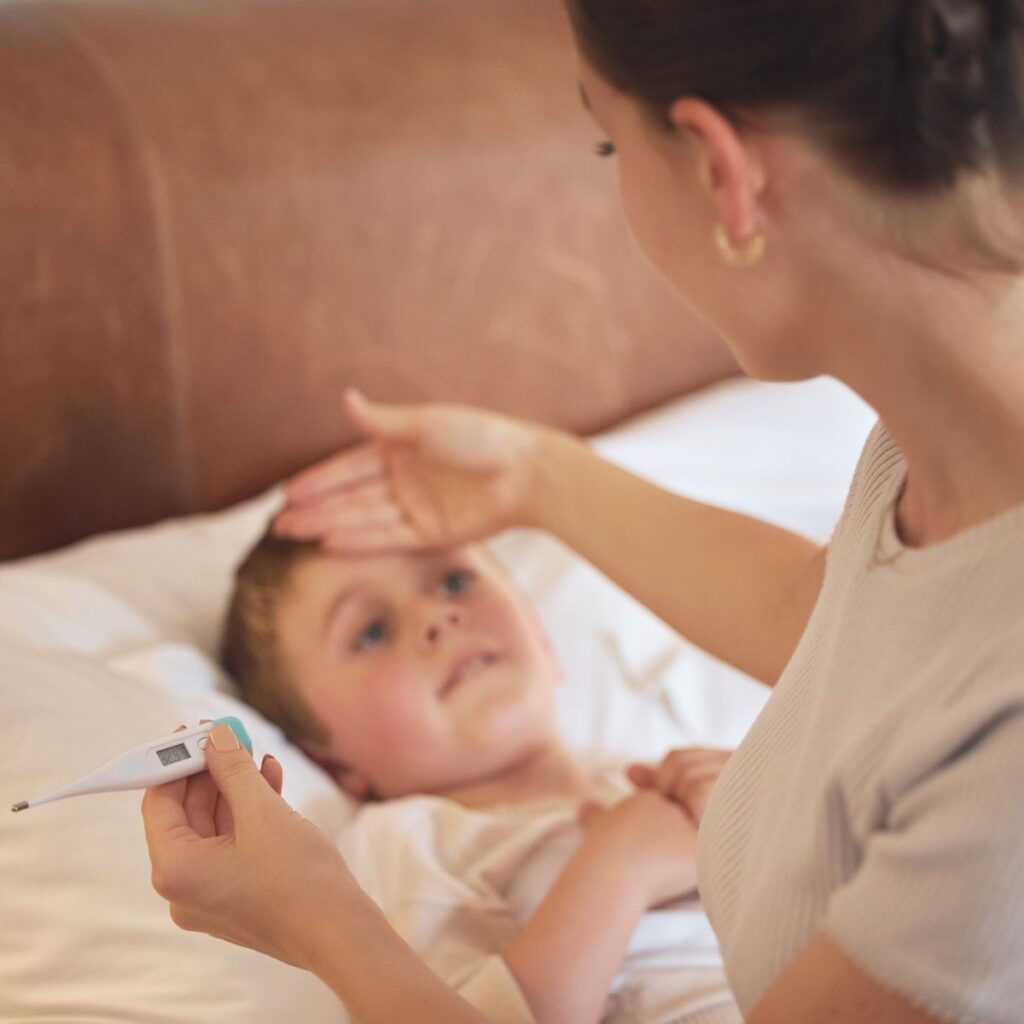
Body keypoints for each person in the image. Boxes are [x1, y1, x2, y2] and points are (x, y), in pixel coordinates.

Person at [142, 1, 1024, 1022]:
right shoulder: (937, 449)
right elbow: (844, 623)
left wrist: (314, 920)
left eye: (608, 140)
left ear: (719, 172)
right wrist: (533, 474)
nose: (438, 615)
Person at [210, 528, 738, 1024]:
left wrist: (754, 798)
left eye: (455, 582)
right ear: (334, 764)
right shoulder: (407, 843)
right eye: (371, 632)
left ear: (540, 636)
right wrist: (618, 871)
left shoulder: (641, 775)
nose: (438, 615)